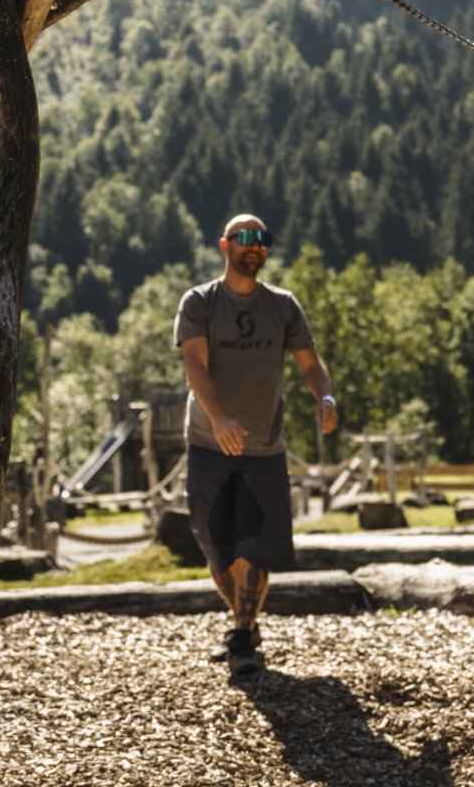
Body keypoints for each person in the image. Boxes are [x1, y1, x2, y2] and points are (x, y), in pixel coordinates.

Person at [175, 213, 338, 679]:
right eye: (245, 238)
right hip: (209, 441)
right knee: (216, 547)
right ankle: (241, 622)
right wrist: (220, 417)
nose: (255, 246)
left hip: (263, 446)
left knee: (255, 546)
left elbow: (311, 364)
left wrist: (324, 396)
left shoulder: (283, 306)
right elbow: (195, 366)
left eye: (262, 239)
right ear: (224, 245)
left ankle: (243, 634)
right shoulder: (199, 302)